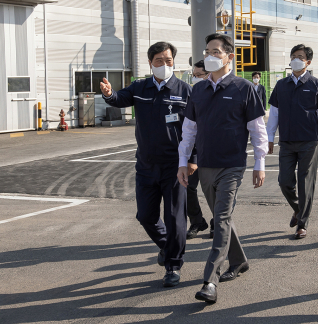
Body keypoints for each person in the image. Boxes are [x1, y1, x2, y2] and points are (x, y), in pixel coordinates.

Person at [178, 33, 268, 304]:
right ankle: (239, 261)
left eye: (216, 52)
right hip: (205, 164)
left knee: (220, 220)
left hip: (232, 165)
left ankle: (210, 280)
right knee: (223, 217)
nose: (210, 56)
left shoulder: (244, 89)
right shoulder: (198, 90)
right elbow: (189, 130)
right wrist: (184, 162)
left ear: (230, 56)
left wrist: (259, 163)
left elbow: (257, 129)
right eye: (207, 51)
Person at [100, 41, 193, 288]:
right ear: (150, 63)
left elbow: (197, 129)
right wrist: (109, 93)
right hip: (145, 165)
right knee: (145, 216)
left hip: (175, 166)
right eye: (159, 61)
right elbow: (120, 99)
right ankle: (166, 246)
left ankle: (173, 265)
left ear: (175, 61)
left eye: (168, 60)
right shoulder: (140, 87)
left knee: (175, 218)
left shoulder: (185, 91)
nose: (164, 64)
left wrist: (192, 160)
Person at [266, 44, 318, 239]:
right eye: (293, 56)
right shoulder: (281, 85)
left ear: (308, 62)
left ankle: (302, 224)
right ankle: (298, 208)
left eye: (300, 56)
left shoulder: (316, 85)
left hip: (309, 142)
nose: (295, 59)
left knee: (305, 183)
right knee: (284, 181)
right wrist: (269, 138)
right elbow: (274, 115)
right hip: (286, 142)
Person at [186, 60, 213, 240]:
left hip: (214, 152)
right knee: (187, 186)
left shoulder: (221, 94)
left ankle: (217, 223)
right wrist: (192, 157)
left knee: (215, 190)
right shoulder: (193, 94)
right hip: (195, 152)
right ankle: (197, 221)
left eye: (199, 76)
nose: (195, 79)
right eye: (193, 76)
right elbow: (190, 128)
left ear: (209, 75)